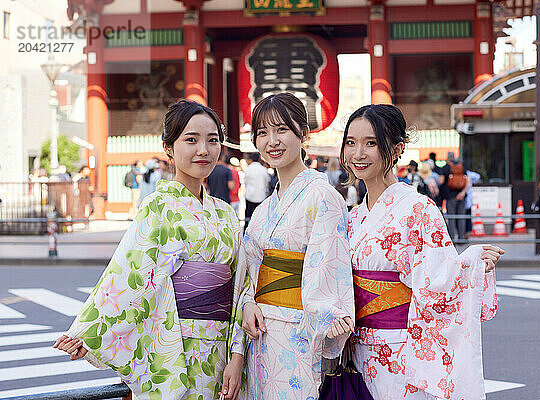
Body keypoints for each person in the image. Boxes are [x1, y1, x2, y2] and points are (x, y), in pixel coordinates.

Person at [54, 100, 246, 400]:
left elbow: (239, 288)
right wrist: (90, 333)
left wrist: (237, 355)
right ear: (168, 147)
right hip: (175, 343)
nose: (203, 150)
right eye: (191, 140)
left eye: (213, 140)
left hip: (220, 347)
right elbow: (131, 275)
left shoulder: (225, 214)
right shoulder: (158, 207)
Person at [340, 104, 503, 400]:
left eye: (371, 143)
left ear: (397, 148)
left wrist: (471, 264)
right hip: (356, 350)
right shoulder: (352, 216)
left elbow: (438, 282)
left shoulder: (418, 209)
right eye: (351, 143)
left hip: (400, 348)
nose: (357, 153)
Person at [241, 92, 355, 400]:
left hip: (299, 332)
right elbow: (250, 268)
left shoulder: (323, 195)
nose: (272, 141)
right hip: (260, 331)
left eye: (281, 130)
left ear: (302, 133)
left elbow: (328, 264)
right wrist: (248, 303)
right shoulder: (264, 208)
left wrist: (326, 317)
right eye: (262, 133)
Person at [438, 152, 470, 241]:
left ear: (447, 158)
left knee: (451, 217)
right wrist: (463, 192)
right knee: (461, 217)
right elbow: (468, 180)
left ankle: (452, 239)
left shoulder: (445, 167)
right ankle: (461, 238)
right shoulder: (461, 166)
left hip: (450, 196)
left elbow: (441, 181)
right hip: (462, 196)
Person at [243, 152, 270, 229]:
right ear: (259, 159)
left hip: (250, 195)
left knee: (248, 215)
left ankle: (246, 231)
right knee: (259, 218)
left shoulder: (248, 169)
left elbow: (245, 182)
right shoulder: (264, 169)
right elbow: (267, 182)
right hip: (261, 196)